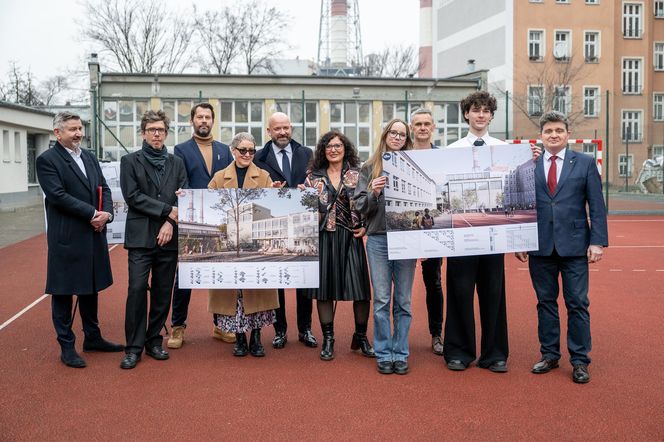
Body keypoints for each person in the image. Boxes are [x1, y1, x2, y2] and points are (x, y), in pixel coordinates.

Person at [516, 111, 608, 384]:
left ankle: (580, 361)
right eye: (548, 131)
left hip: (575, 246)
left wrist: (597, 241)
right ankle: (549, 355)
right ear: (541, 136)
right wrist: (520, 241)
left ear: (567, 134)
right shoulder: (528, 165)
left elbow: (597, 205)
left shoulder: (585, 163)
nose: (553, 135)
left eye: (558, 130)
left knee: (577, 303)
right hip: (539, 245)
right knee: (545, 303)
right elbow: (520, 206)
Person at [36, 112, 123, 368]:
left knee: (90, 286)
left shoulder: (89, 157)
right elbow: (58, 196)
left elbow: (104, 188)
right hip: (68, 236)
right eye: (72, 129)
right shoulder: (47, 160)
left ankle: (93, 338)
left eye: (80, 128)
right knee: (63, 291)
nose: (78, 133)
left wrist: (105, 214)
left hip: (93, 234)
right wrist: (92, 214)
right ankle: (67, 346)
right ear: (57, 133)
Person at [444, 91, 509, 373]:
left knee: (493, 293)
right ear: (467, 114)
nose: (481, 114)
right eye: (475, 110)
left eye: (486, 110)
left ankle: (495, 354)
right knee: (459, 292)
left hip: (494, 235)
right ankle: (459, 351)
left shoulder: (505, 148)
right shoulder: (450, 150)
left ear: (492, 115)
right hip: (461, 234)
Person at [119, 110, 187, 369]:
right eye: (151, 130)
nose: (156, 134)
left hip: (169, 237)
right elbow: (132, 196)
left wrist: (170, 222)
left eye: (160, 130)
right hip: (140, 238)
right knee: (136, 289)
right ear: (143, 133)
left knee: (161, 291)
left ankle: (153, 340)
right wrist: (166, 211)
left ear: (166, 133)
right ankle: (133, 348)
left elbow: (183, 195)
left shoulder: (176, 162)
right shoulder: (130, 161)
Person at [168, 102, 233, 349]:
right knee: (184, 275)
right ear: (192, 121)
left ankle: (220, 324)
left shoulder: (225, 150)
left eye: (207, 117)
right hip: (191, 218)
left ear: (212, 121)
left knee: (219, 273)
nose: (203, 121)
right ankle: (177, 327)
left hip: (219, 218)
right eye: (199, 117)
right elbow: (182, 181)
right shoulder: (181, 149)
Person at [304, 130, 374, 361]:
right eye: (329, 146)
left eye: (338, 145)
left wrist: (365, 225)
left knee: (361, 291)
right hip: (324, 236)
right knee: (324, 290)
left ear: (346, 149)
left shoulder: (358, 172)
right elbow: (305, 209)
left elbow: (368, 202)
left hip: (350, 236)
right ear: (323, 151)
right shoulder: (313, 177)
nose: (334, 149)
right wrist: (302, 196)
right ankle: (328, 338)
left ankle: (361, 336)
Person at [208, 132, 279, 357]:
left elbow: (270, 206)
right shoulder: (219, 177)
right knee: (235, 293)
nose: (248, 154)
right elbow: (208, 203)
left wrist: (277, 194)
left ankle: (256, 338)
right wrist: (186, 197)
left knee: (256, 288)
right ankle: (239, 338)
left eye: (251, 150)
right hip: (230, 241)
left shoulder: (264, 176)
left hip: (253, 239)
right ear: (233, 150)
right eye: (243, 150)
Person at [354, 118, 416, 375]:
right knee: (381, 299)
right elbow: (359, 206)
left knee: (403, 300)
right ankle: (383, 352)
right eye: (394, 133)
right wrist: (374, 193)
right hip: (378, 238)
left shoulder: (414, 166)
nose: (398, 137)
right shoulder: (369, 167)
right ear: (385, 135)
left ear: (407, 139)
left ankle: (400, 353)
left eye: (402, 134)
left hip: (406, 239)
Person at [254, 112, 317, 349]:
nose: (283, 132)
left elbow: (315, 181)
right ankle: (280, 330)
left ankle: (305, 329)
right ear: (268, 131)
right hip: (278, 219)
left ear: (291, 128)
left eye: (286, 128)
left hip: (303, 222)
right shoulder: (260, 157)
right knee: (277, 279)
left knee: (304, 279)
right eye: (277, 129)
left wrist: (307, 187)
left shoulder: (306, 153)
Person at [410, 107, 444, 356]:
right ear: (412, 128)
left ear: (433, 128)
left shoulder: (442, 157)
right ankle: (398, 335)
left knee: (434, 283)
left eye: (426, 124)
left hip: (433, 229)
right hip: (405, 229)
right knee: (399, 285)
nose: (422, 127)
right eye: (418, 124)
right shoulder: (399, 155)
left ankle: (437, 334)